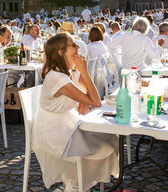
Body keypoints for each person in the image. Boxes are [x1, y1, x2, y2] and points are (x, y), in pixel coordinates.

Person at [32, 33, 116, 191]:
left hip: (68, 123)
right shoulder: (56, 77)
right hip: (52, 131)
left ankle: (76, 183)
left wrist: (83, 98)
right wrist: (84, 72)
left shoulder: (70, 72)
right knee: (102, 148)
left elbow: (91, 97)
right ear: (60, 52)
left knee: (108, 141)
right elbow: (96, 101)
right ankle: (76, 183)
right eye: (73, 45)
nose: (78, 47)